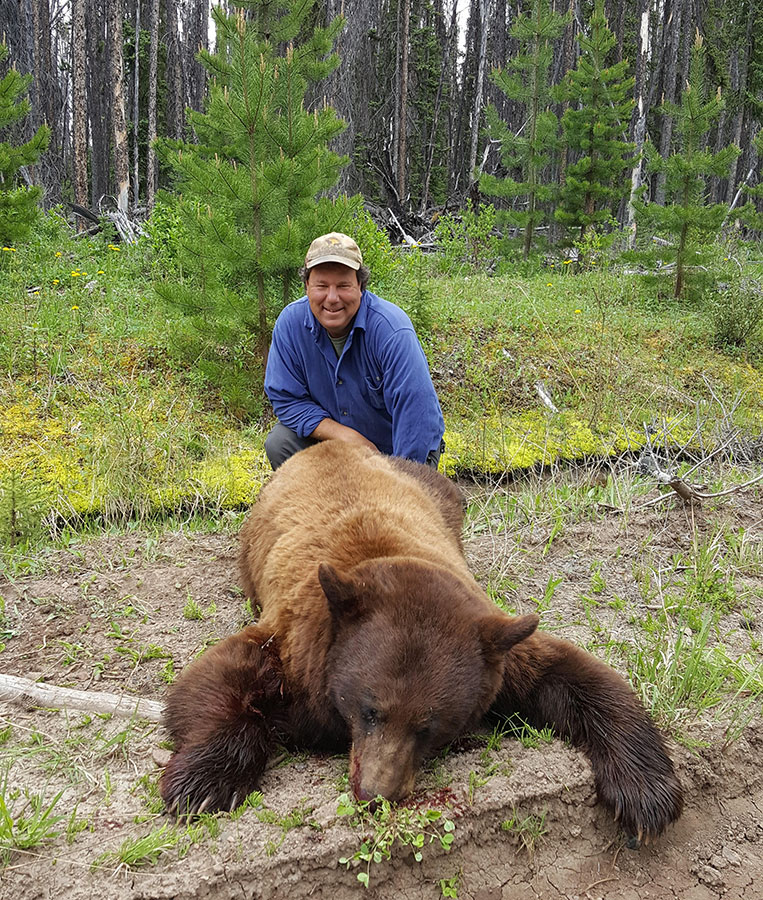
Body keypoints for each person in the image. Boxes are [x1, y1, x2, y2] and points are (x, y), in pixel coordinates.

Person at [264, 232, 445, 470]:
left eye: (343, 286)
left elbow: (417, 419)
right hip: (338, 445)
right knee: (281, 443)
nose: (332, 298)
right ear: (307, 285)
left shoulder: (391, 331)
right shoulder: (291, 324)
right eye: (321, 285)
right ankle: (325, 506)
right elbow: (286, 399)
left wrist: (397, 481)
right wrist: (345, 437)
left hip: (396, 451)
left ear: (360, 285)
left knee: (399, 499)